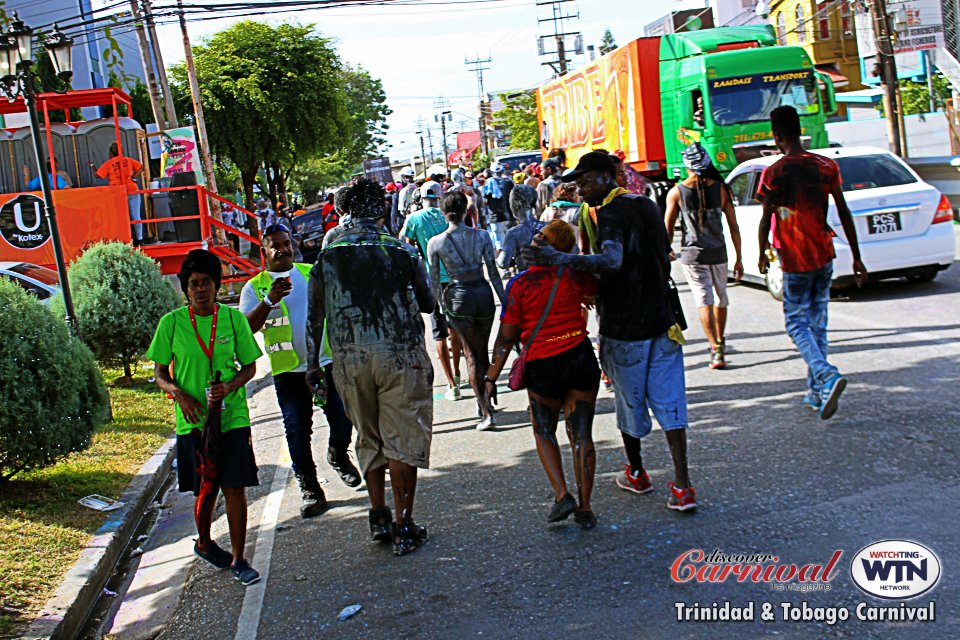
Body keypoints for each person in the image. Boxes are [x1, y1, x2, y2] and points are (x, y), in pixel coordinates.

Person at [527, 151, 697, 512]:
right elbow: (662, 253)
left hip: (626, 328)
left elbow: (612, 260)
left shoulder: (609, 213)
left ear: (606, 177)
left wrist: (562, 260)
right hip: (663, 322)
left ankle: (637, 472)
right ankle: (683, 485)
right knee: (671, 404)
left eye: (586, 181)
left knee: (629, 404)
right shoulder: (646, 204)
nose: (580, 189)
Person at [307, 179, 436, 556]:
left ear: (343, 213)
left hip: (349, 359)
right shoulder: (403, 251)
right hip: (401, 357)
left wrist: (313, 365)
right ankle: (405, 523)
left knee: (368, 436)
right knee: (402, 440)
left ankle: (378, 515)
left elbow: (316, 317)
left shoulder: (327, 256)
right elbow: (427, 302)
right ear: (381, 210)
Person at [146, 249, 263, 585]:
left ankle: (240, 559)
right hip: (193, 421)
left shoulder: (232, 319)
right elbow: (158, 373)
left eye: (207, 283)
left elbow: (251, 365)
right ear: (185, 289)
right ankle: (205, 541)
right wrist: (178, 393)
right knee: (206, 489)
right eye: (194, 284)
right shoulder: (171, 324)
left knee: (235, 487)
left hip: (232, 417)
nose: (200, 289)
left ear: (216, 285)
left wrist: (230, 385)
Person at [240, 224, 362, 518]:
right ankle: (310, 489)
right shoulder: (254, 287)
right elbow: (246, 329)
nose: (282, 250)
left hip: (326, 364)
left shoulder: (311, 273)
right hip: (289, 374)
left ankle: (337, 454)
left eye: (286, 243)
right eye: (275, 245)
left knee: (343, 419)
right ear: (264, 251)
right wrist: (269, 300)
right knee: (297, 432)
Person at [486, 221, 600, 526]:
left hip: (542, 364)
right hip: (579, 355)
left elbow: (507, 337)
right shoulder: (577, 273)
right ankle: (586, 508)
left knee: (544, 430)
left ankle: (563, 495)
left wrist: (490, 378)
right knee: (581, 434)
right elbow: (594, 294)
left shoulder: (520, 285)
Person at [757, 106, 867, 419]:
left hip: (794, 258)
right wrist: (857, 256)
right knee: (818, 325)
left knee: (796, 323)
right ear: (799, 130)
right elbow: (843, 211)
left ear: (778, 136)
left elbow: (765, 218)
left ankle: (826, 374)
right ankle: (817, 393)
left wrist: (761, 251)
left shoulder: (774, 172)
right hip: (823, 254)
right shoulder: (825, 166)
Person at [427, 191, 505, 430]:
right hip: (482, 294)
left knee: (471, 355)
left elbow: (433, 280)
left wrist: (441, 305)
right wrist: (506, 301)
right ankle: (486, 399)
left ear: (444, 213)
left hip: (458, 297)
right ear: (465, 212)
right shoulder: (481, 236)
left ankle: (485, 411)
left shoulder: (436, 242)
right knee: (481, 351)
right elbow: (493, 272)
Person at [664, 143, 744, 369]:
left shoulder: (677, 192)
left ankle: (714, 347)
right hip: (719, 253)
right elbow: (734, 227)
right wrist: (739, 258)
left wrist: (666, 250)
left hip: (693, 256)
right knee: (721, 299)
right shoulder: (721, 189)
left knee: (704, 300)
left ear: (687, 166)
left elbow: (667, 229)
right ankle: (720, 340)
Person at [401, 183, 463, 400]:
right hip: (456, 279)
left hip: (432, 281)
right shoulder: (448, 215)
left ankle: (451, 384)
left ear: (419, 197)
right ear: (440, 196)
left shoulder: (414, 219)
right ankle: (457, 371)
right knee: (456, 329)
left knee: (439, 333)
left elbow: (404, 245)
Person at [95, 143, 145, 244]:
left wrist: (92, 166)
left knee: (121, 217)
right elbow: (141, 167)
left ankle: (125, 239)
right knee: (136, 216)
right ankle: (140, 239)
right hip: (132, 189)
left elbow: (98, 175)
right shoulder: (128, 160)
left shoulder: (109, 163)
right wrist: (134, 177)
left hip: (117, 192)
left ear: (111, 152)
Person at [498, 184, 546, 273]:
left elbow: (503, 263)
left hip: (526, 280)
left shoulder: (513, 233)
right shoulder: (547, 227)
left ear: (514, 206)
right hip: (548, 278)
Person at [482, 161, 514, 250]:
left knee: (499, 242)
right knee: (510, 241)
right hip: (509, 217)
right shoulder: (509, 182)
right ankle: (511, 260)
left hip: (495, 218)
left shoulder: (488, 183)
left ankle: (502, 262)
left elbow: (484, 202)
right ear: (502, 170)